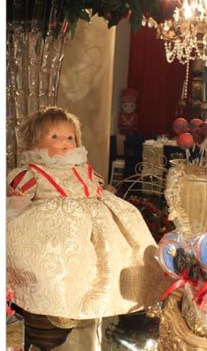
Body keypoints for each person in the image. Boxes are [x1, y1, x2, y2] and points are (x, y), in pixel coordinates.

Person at [6, 107, 168, 320]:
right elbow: (16, 208)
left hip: (97, 222)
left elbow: (97, 188)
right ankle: (59, 303)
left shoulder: (85, 169)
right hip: (59, 227)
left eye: (70, 138)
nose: (65, 143)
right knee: (65, 264)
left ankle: (122, 293)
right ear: (35, 143)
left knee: (113, 253)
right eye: (55, 137)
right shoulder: (33, 174)